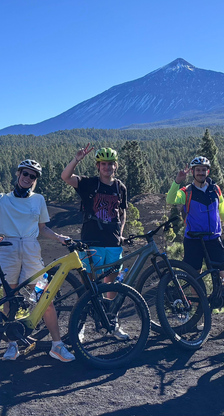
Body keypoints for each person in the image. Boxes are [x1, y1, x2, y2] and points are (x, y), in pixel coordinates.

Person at [0, 159, 75, 362]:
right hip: (8, 249)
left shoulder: (39, 199)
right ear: (18, 174)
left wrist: (59, 238)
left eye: (32, 176)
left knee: (44, 296)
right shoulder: (4, 199)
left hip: (30, 251)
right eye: (25, 174)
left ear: (35, 180)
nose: (28, 178)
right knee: (9, 297)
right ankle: (12, 345)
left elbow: (42, 228)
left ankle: (57, 345)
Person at [166, 156, 224, 334]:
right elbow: (171, 199)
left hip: (213, 240)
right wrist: (177, 180)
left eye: (204, 169)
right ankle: (198, 319)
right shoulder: (187, 191)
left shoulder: (215, 189)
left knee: (223, 280)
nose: (201, 172)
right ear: (193, 172)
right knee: (195, 279)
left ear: (208, 171)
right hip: (193, 240)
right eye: (198, 169)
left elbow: (223, 212)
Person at [60, 145, 130, 340]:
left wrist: (120, 234)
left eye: (110, 164)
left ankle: (112, 323)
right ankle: (80, 326)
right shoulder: (88, 183)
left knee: (112, 286)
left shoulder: (120, 187)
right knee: (89, 288)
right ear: (98, 166)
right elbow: (65, 177)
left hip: (113, 244)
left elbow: (122, 213)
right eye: (103, 164)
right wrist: (77, 160)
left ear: (115, 166)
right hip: (92, 243)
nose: (107, 167)